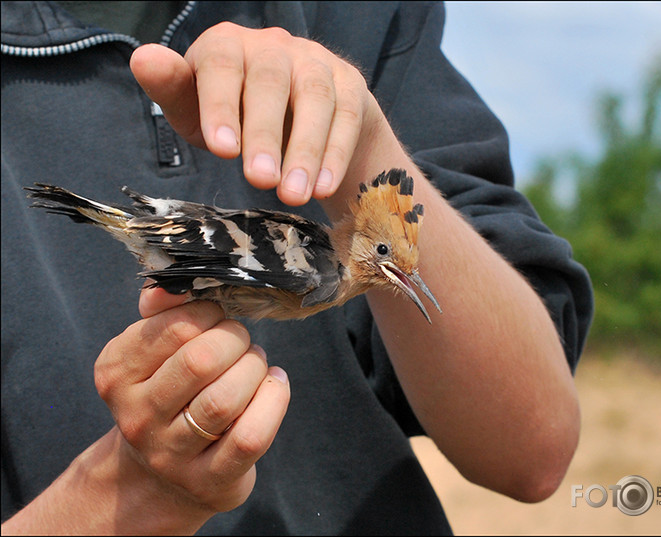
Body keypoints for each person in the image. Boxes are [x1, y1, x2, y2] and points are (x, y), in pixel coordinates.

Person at [1, 1, 593, 534]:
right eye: (385, 256)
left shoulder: (376, 21)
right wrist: (134, 488)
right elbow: (227, 250)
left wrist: (366, 138)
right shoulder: (322, 269)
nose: (396, 275)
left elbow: (532, 453)